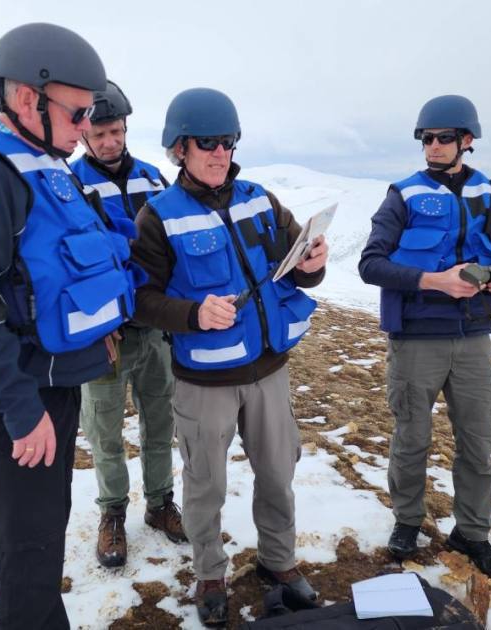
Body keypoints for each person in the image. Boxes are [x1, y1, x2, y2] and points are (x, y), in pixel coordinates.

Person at [0, 23, 141, 629]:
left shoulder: (44, 164)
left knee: (40, 550)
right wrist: (19, 408)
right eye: (77, 115)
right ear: (28, 99)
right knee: (26, 563)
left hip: (45, 388)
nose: (85, 130)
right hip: (6, 406)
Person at [131, 87, 328, 627]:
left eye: (228, 141)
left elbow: (298, 267)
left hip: (269, 371)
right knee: (205, 485)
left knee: (276, 474)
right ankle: (211, 573)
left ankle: (279, 563)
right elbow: (141, 301)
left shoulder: (261, 199)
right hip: (204, 383)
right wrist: (194, 315)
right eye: (206, 142)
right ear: (178, 149)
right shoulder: (158, 217)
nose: (220, 152)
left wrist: (314, 261)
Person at [359, 95, 491, 578]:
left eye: (443, 138)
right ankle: (407, 521)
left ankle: (472, 533)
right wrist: (434, 280)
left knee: (478, 442)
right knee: (412, 438)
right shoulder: (404, 194)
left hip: (475, 338)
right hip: (416, 339)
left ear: (467, 141)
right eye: (426, 139)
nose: (433, 146)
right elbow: (371, 263)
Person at [69, 81, 185, 568]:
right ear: (83, 135)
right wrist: (97, 322)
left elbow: (172, 251)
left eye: (115, 131)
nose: (109, 141)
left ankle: (160, 503)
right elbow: (70, 262)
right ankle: (112, 513)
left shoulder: (155, 180)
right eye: (99, 133)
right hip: (106, 335)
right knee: (105, 431)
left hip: (153, 329)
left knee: (160, 423)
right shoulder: (69, 184)